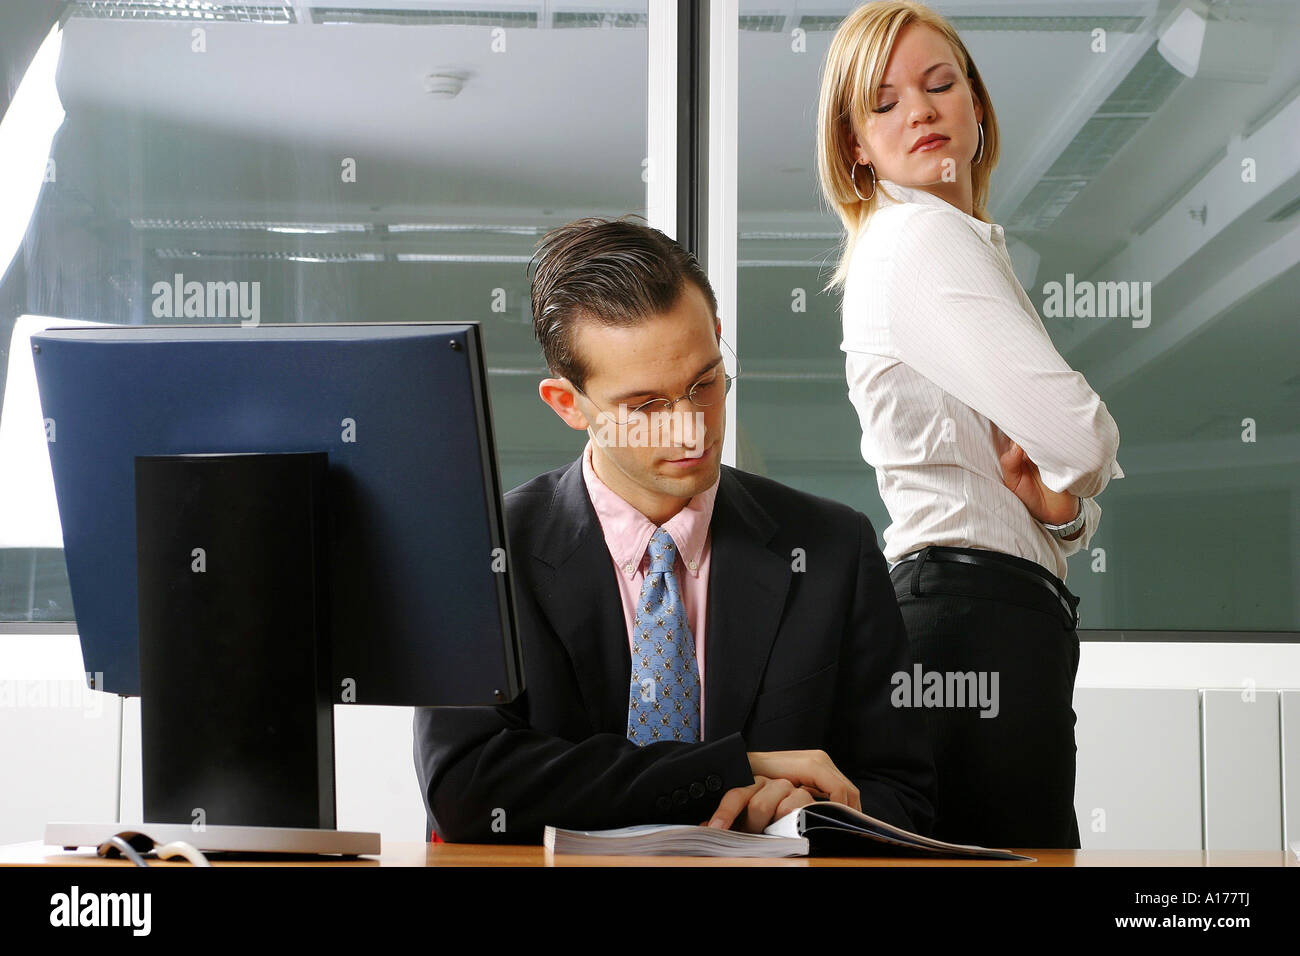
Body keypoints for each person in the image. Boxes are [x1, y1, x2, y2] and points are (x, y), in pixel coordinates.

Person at [413, 215, 935, 844]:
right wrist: (721, 772)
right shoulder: (486, 553)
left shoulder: (831, 550)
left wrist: (798, 814)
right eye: (646, 406)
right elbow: (465, 788)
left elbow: (903, 796)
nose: (690, 430)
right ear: (568, 404)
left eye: (704, 384)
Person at [814, 2, 1123, 849]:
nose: (919, 109)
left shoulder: (947, 242)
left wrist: (1060, 510)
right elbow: (1085, 439)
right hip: (970, 622)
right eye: (883, 103)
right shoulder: (922, 240)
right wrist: (1071, 480)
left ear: (976, 106)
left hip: (980, 616)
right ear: (855, 145)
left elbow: (1046, 480)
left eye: (940, 83)